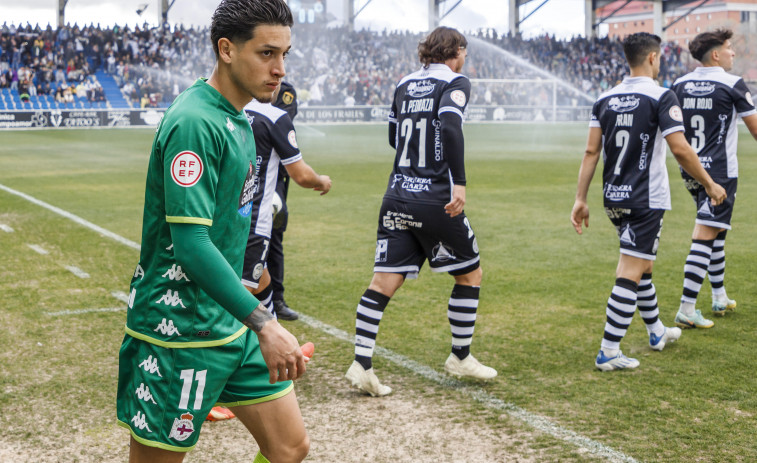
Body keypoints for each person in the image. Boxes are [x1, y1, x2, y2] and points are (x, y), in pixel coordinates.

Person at [115, 1, 310, 462]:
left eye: (285, 54)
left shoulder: (240, 118)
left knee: (289, 447)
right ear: (226, 49)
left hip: (230, 323)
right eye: (266, 54)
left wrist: (257, 295)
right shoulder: (195, 123)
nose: (279, 69)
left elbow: (229, 227)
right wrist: (264, 322)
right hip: (179, 332)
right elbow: (192, 246)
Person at [345, 26, 496, 397]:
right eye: (465, 52)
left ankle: (361, 363)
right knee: (470, 275)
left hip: (397, 194)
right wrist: (458, 181)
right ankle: (460, 356)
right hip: (435, 198)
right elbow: (449, 124)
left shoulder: (404, 83)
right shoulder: (456, 82)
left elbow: (394, 138)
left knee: (382, 283)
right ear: (456, 51)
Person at [571, 32, 727, 371]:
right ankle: (609, 350)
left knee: (644, 266)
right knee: (631, 269)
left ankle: (656, 331)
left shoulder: (605, 98)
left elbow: (590, 151)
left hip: (613, 196)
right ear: (653, 58)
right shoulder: (661, 96)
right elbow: (681, 148)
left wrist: (580, 199)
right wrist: (711, 185)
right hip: (645, 199)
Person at [670, 29, 757, 328]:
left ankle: (719, 296)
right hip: (719, 173)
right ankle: (687, 307)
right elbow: (755, 128)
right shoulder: (732, 83)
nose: (733, 53)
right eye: (730, 48)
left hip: (692, 170)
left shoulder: (679, 83)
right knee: (705, 234)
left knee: (716, 230)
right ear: (716, 54)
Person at [268, 81, 300, 320]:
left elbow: (278, 121)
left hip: (275, 175)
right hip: (244, 169)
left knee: (275, 234)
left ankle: (276, 298)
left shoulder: (286, 91)